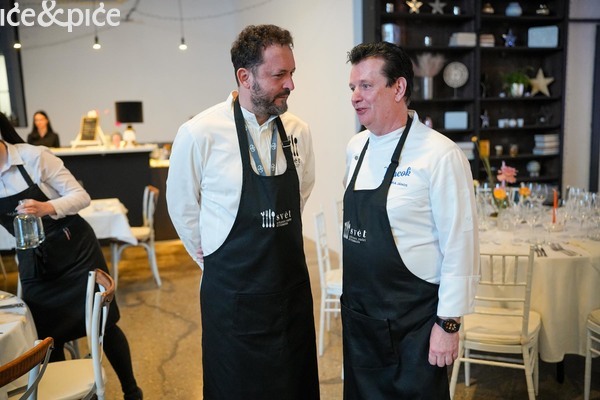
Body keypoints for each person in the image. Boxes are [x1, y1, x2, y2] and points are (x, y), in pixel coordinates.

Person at [166, 24, 319, 399]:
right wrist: (214, 257)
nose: (290, 84)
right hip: (232, 299)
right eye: (279, 75)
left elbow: (301, 192)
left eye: (292, 73)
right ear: (245, 76)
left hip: (289, 294)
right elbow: (182, 207)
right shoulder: (200, 133)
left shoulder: (298, 131)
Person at [341, 41, 480, 399]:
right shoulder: (356, 149)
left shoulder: (440, 155)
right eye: (353, 87)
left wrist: (448, 324)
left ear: (399, 87)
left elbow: (460, 244)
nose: (355, 96)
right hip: (361, 319)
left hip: (413, 324)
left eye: (366, 86)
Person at [0, 112, 143, 400]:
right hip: (34, 263)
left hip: (74, 252)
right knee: (48, 336)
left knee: (103, 324)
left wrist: (47, 207)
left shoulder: (33, 157)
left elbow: (81, 197)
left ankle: (132, 391)